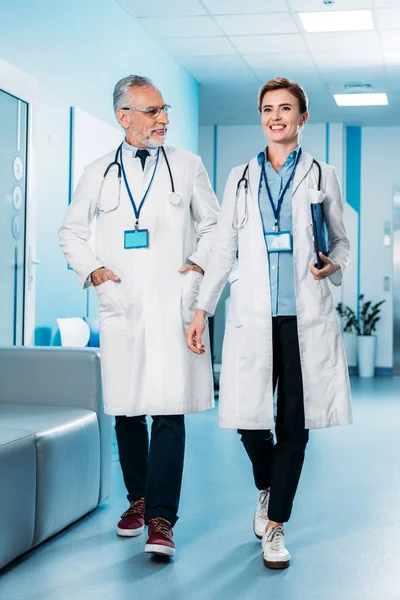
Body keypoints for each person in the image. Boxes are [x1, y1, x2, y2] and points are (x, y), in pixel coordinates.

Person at [186, 77, 352, 570]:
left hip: (304, 319)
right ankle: (268, 487)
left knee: (293, 427)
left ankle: (276, 524)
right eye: (267, 109)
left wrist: (332, 264)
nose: (275, 116)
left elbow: (341, 242)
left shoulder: (324, 174)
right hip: (253, 317)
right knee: (247, 418)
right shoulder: (239, 177)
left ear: (303, 118)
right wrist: (202, 310)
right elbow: (222, 251)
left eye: (285, 109)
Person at [59, 75, 219, 558]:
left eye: (164, 109)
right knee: (127, 410)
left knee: (168, 412)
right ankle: (138, 499)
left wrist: (198, 264)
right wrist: (95, 272)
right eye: (152, 111)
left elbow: (214, 225)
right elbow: (71, 232)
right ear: (124, 117)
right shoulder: (97, 171)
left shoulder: (188, 166)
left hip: (172, 301)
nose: (163, 119)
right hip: (122, 305)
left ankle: (162, 519)